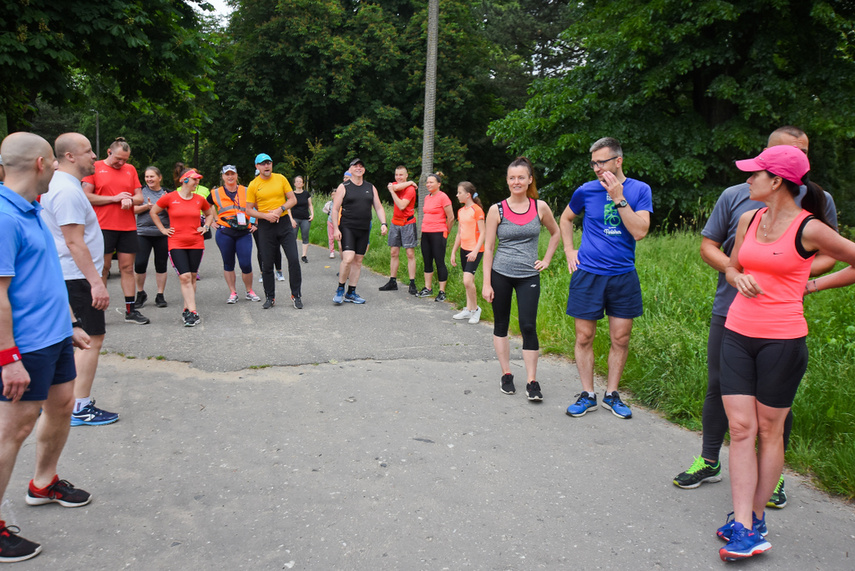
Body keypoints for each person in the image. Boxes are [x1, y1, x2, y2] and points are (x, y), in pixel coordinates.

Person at [673, 127, 838, 510]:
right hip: (729, 313)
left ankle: (772, 480)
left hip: (778, 321)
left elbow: (823, 251)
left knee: (773, 408)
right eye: (791, 150)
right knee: (720, 387)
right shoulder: (738, 199)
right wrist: (736, 273)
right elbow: (710, 247)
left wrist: (799, 279)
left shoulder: (816, 203)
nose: (801, 158)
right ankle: (709, 460)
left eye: (804, 152)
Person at [715, 145, 855, 561]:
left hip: (783, 339)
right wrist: (736, 276)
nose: (748, 180)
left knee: (768, 430)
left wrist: (812, 285)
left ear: (776, 181)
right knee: (740, 430)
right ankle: (742, 524)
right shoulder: (749, 218)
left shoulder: (809, 228)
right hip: (737, 332)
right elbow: (732, 265)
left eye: (754, 174)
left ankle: (756, 517)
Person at [0, 132, 94, 563]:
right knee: (13, 431)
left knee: (61, 405)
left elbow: (47, 274)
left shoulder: (33, 209)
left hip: (54, 337)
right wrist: (8, 358)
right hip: (26, 346)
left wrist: (71, 322)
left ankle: (43, 483)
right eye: (52, 163)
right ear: (41, 162)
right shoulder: (3, 216)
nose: (58, 167)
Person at [560, 137, 653, 419]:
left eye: (602, 162)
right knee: (584, 336)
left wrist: (618, 197)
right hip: (588, 273)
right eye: (594, 163)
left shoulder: (639, 190)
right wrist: (569, 251)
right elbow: (565, 219)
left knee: (621, 338)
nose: (597, 168)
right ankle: (588, 394)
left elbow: (640, 231)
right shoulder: (585, 191)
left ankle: (611, 394)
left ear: (618, 161)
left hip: (622, 275)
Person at [41, 132, 119, 427]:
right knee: (91, 339)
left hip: (70, 275)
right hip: (75, 277)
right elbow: (74, 242)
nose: (94, 157)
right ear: (70, 156)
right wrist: (97, 282)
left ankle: (60, 401)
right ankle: (80, 406)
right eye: (88, 151)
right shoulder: (68, 191)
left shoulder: (61, 185)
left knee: (71, 340)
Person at [482, 157, 560, 401]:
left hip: (528, 275)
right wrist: (486, 282)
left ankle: (532, 381)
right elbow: (489, 248)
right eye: (512, 178)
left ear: (529, 180)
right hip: (501, 274)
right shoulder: (497, 209)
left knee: (528, 325)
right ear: (507, 181)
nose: (516, 181)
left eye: (521, 177)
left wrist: (546, 259)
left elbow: (556, 232)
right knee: (501, 324)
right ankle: (507, 374)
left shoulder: (540, 207)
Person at [81, 137, 149, 324]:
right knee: (103, 268)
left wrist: (129, 200)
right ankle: (97, 313)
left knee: (127, 268)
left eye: (125, 160)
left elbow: (139, 197)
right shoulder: (95, 168)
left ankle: (130, 311)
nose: (122, 163)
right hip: (102, 226)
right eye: (118, 158)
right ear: (109, 152)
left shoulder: (130, 170)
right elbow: (86, 196)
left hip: (127, 227)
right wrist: (115, 198)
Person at [149, 169, 214, 326]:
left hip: (196, 242)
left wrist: (205, 226)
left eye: (198, 180)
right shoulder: (170, 198)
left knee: (191, 277)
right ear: (184, 180)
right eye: (194, 180)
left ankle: (186, 308)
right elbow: (153, 212)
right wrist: (163, 230)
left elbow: (210, 213)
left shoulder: (199, 199)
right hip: (176, 242)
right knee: (184, 277)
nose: (197, 183)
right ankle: (193, 312)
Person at [246, 153, 303, 309]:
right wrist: (265, 215)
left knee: (293, 259)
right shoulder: (253, 185)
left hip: (283, 223)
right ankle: (270, 297)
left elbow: (293, 199)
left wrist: (280, 209)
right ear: (257, 166)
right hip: (265, 226)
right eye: (263, 164)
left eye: (269, 163)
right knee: (267, 264)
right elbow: (249, 210)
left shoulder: (280, 178)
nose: (266, 166)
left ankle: (296, 295)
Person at [331, 158, 388, 304]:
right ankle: (340, 289)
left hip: (363, 228)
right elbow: (335, 209)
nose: (358, 168)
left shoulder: (370, 187)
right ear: (350, 169)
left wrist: (383, 223)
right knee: (348, 258)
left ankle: (351, 292)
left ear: (364, 170)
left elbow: (379, 207)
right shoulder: (344, 187)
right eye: (355, 166)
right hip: (347, 227)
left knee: (358, 261)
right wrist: (336, 229)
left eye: (361, 166)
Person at [208, 165, 261, 303]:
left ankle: (249, 291)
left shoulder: (246, 190)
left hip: (243, 232)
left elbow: (258, 206)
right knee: (228, 263)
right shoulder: (216, 192)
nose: (230, 177)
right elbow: (206, 205)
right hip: (225, 232)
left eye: (232, 174)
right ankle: (233, 292)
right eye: (227, 174)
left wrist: (255, 223)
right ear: (223, 176)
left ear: (237, 175)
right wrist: (213, 220)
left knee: (246, 264)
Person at [133, 166, 170, 309]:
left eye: (152, 176)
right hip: (143, 233)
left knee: (161, 264)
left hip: (162, 233)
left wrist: (165, 205)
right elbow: (132, 209)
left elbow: (174, 212)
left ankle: (160, 295)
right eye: (147, 177)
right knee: (140, 264)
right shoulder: (140, 192)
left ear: (159, 177)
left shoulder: (167, 193)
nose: (149, 179)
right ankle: (140, 293)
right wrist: (147, 207)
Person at [449, 181, 486, 323]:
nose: (457, 195)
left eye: (459, 192)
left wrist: (475, 251)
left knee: (467, 280)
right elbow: (459, 233)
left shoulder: (477, 210)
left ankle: (476, 309)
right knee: (467, 282)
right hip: (464, 249)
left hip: (474, 250)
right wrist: (453, 251)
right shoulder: (461, 211)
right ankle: (469, 309)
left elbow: (483, 233)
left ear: (468, 194)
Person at [379, 165, 419, 294]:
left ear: (406, 175)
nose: (398, 177)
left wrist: (392, 192)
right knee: (394, 253)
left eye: (401, 175)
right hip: (395, 223)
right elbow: (394, 186)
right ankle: (392, 281)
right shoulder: (396, 185)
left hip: (408, 223)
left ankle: (412, 283)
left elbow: (402, 205)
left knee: (410, 254)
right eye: (396, 175)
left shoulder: (411, 189)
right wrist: (394, 188)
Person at [415, 172, 454, 301]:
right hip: (426, 233)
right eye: (427, 182)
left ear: (439, 184)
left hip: (439, 232)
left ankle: (442, 291)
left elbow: (451, 217)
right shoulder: (427, 197)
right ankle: (428, 288)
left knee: (439, 261)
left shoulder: (443, 197)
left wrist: (446, 232)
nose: (428, 184)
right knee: (427, 260)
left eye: (431, 182)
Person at [290, 175, 313, 263]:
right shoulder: (292, 194)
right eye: (297, 181)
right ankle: (293, 255)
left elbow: (310, 205)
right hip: (295, 218)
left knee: (305, 236)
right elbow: (288, 208)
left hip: (305, 218)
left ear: (303, 184)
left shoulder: (306, 193)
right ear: (294, 183)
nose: (299, 183)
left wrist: (312, 214)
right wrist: (291, 219)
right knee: (293, 237)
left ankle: (304, 255)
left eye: (300, 181)